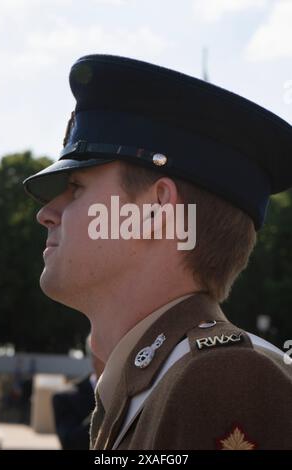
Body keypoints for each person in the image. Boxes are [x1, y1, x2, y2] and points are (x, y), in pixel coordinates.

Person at [23, 54, 292, 450]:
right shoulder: (156, 382)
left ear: (154, 210)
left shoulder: (222, 378)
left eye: (76, 188)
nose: (45, 214)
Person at [52, 337, 104, 450]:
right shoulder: (65, 397)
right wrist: (105, 404)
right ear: (94, 356)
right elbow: (70, 443)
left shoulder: (132, 394)